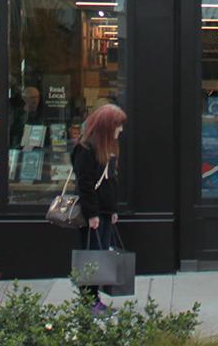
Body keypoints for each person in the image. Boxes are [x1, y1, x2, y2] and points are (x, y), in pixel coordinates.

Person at [71, 103, 126, 313]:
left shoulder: (107, 148)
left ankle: (94, 300)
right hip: (93, 214)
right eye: (118, 125)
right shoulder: (85, 149)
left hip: (103, 212)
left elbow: (109, 182)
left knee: (100, 255)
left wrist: (112, 210)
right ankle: (89, 300)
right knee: (92, 257)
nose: (120, 130)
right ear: (106, 126)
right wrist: (92, 214)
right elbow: (85, 184)